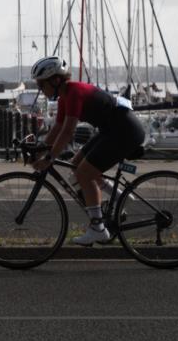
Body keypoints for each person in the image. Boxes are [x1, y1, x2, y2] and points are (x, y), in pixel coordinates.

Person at [29, 56, 146, 246]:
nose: (40, 91)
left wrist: (49, 157)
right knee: (76, 166)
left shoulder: (74, 92)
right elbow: (57, 128)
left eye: (41, 86)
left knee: (84, 173)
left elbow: (68, 131)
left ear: (55, 80)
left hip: (124, 131)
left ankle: (98, 229)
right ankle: (119, 197)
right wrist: (40, 149)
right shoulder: (64, 98)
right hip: (112, 129)